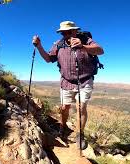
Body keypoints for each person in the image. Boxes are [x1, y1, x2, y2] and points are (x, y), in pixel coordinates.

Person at [32, 21, 104, 150]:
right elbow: (49, 59)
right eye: (63, 32)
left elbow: (100, 51)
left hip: (85, 81)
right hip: (66, 81)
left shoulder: (86, 40)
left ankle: (80, 134)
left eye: (69, 32)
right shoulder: (58, 45)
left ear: (75, 31)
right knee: (64, 108)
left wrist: (83, 47)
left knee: (81, 107)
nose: (66, 34)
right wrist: (39, 46)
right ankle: (63, 126)